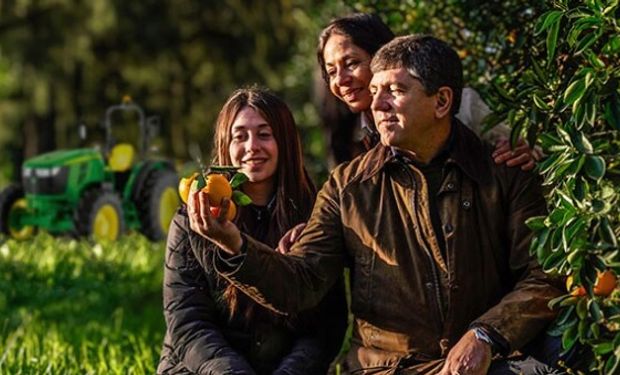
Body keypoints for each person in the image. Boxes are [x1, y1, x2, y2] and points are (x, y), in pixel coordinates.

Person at [187, 36, 565, 374]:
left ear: (442, 101)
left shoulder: (504, 173)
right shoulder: (347, 186)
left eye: (395, 90)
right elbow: (300, 284)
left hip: (486, 364)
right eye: (375, 89)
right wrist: (234, 245)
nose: (377, 104)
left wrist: (486, 335)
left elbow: (543, 276)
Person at [157, 87, 347, 375]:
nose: (251, 146)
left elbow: (326, 327)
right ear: (225, 144)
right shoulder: (193, 219)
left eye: (264, 134)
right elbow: (187, 323)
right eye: (240, 136)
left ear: (284, 141)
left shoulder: (316, 216)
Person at [316, 13, 536, 169]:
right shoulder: (346, 134)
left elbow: (521, 153)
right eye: (332, 71)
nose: (341, 80)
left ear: (383, 55)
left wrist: (525, 153)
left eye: (351, 63)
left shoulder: (463, 106)